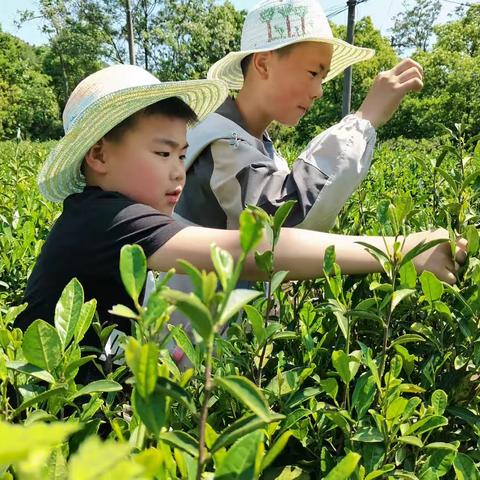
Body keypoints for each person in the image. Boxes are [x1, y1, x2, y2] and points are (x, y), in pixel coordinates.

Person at [17, 65, 465, 375]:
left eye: (180, 153)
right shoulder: (108, 219)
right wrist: (398, 249)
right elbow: (253, 249)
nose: (177, 169)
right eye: (161, 153)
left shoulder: (107, 218)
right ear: (98, 155)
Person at [175, 0, 424, 231]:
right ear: (263, 64)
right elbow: (290, 222)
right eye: (313, 73)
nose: (319, 92)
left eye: (323, 78)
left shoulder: (251, 143)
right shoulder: (221, 144)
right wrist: (364, 119)